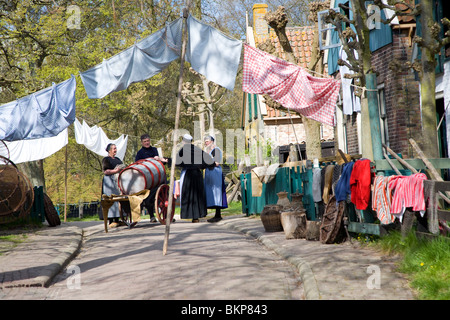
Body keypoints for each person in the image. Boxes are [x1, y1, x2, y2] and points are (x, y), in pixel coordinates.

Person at [175, 134, 216, 222]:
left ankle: (189, 214)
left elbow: (177, 162)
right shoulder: (197, 150)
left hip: (188, 175)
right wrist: (209, 165)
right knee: (197, 195)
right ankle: (196, 216)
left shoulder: (183, 150)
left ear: (184, 141)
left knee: (189, 195)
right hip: (197, 174)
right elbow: (208, 159)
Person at [135, 134, 168, 222]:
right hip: (148, 179)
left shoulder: (155, 150)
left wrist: (159, 159)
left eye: (148, 141)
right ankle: (151, 216)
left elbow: (163, 163)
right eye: (145, 141)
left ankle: (166, 216)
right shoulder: (140, 153)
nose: (147, 143)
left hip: (159, 177)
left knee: (164, 196)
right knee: (148, 197)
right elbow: (137, 165)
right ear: (142, 142)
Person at [204, 135, 228, 222]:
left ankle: (218, 214)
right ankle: (216, 214)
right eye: (205, 141)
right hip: (210, 172)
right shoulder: (209, 151)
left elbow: (216, 163)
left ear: (211, 141)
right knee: (212, 192)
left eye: (207, 141)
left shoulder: (216, 150)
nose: (205, 143)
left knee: (216, 192)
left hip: (215, 172)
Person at [102, 143, 125, 227]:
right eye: (114, 148)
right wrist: (115, 171)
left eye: (116, 148)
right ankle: (111, 220)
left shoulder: (118, 159)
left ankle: (118, 219)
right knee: (111, 199)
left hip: (117, 180)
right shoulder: (106, 160)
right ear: (109, 150)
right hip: (109, 181)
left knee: (118, 199)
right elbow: (105, 171)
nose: (115, 150)